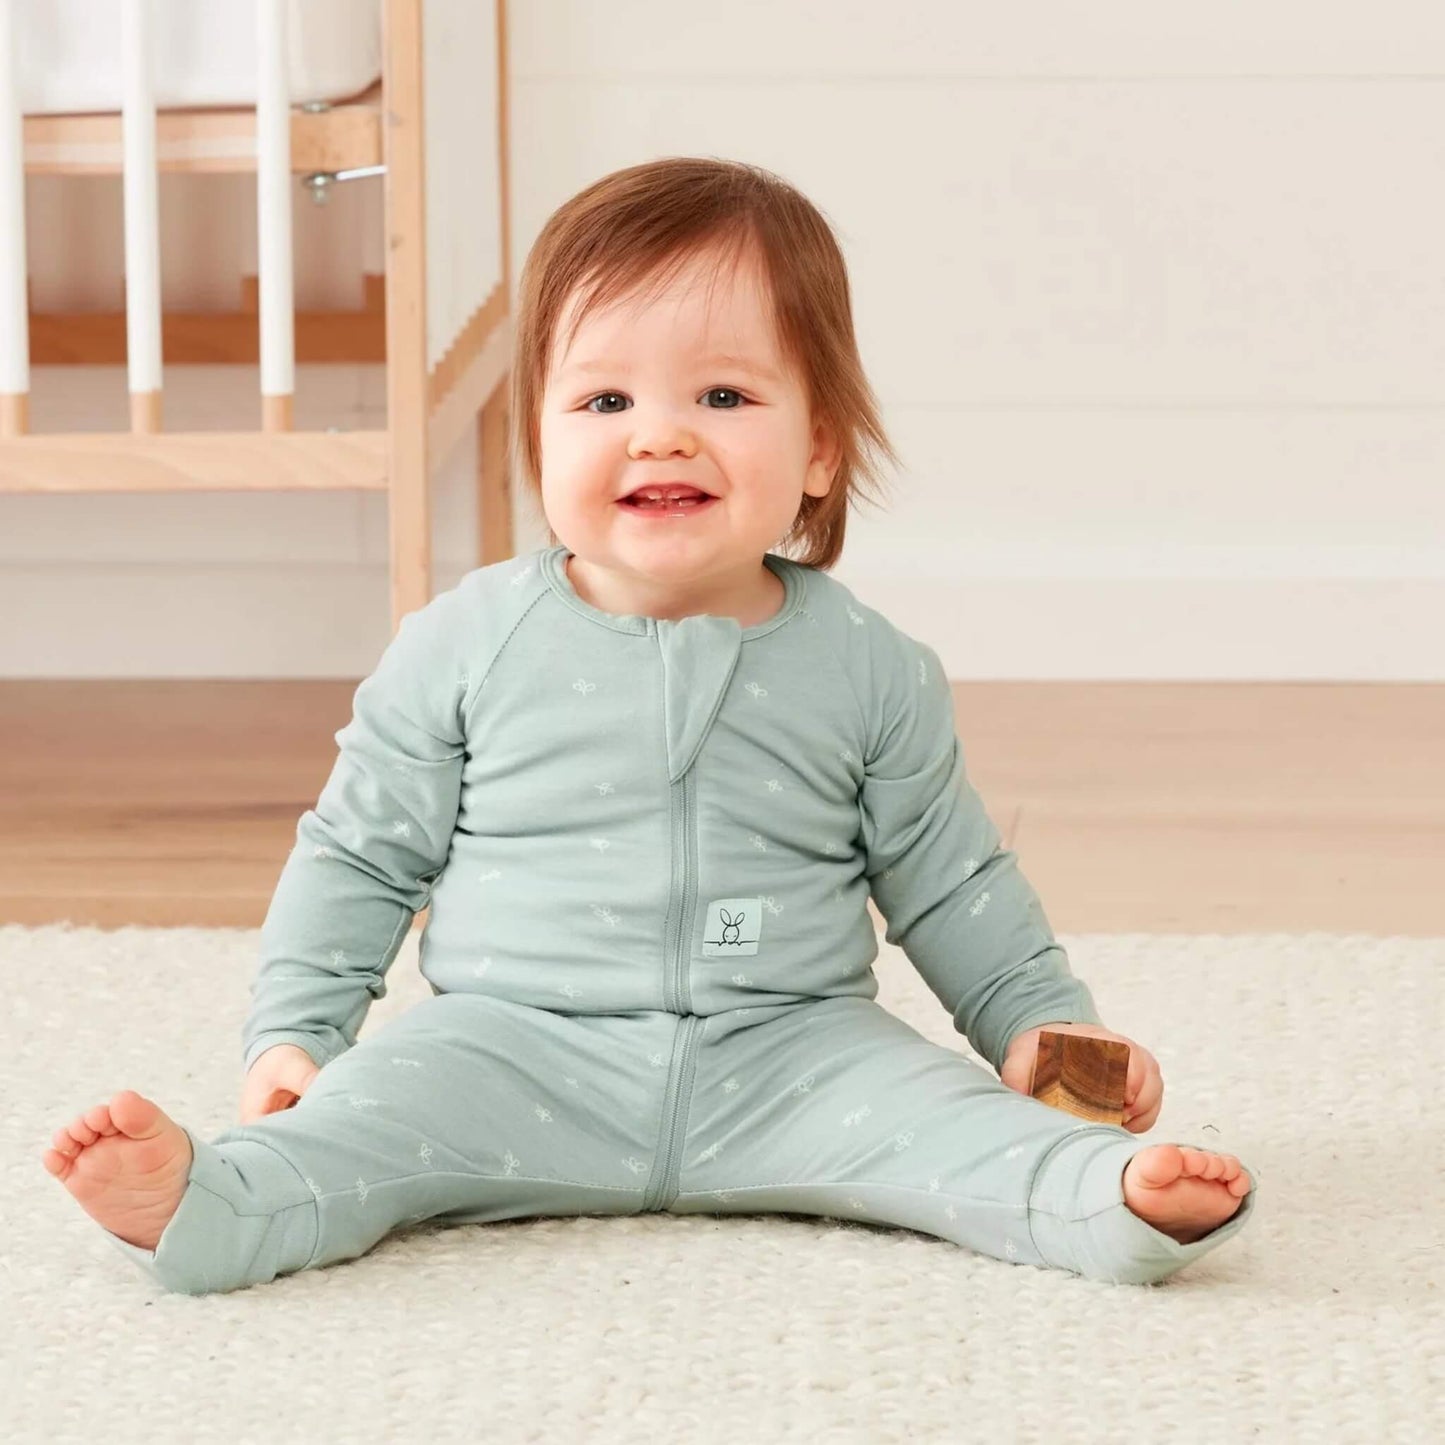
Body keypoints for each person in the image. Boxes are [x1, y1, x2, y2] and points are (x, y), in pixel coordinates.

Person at [42, 157, 1257, 1296]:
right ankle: (210, 1200)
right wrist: (296, 1037)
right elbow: (361, 854)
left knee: (961, 1132)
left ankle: (1104, 1201)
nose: (658, 431)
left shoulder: (869, 667)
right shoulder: (464, 642)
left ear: (819, 446)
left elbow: (949, 880)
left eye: (722, 394)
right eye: (603, 396)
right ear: (540, 438)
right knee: (358, 1125)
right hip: (508, 1048)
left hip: (793, 1052)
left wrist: (1044, 1027)